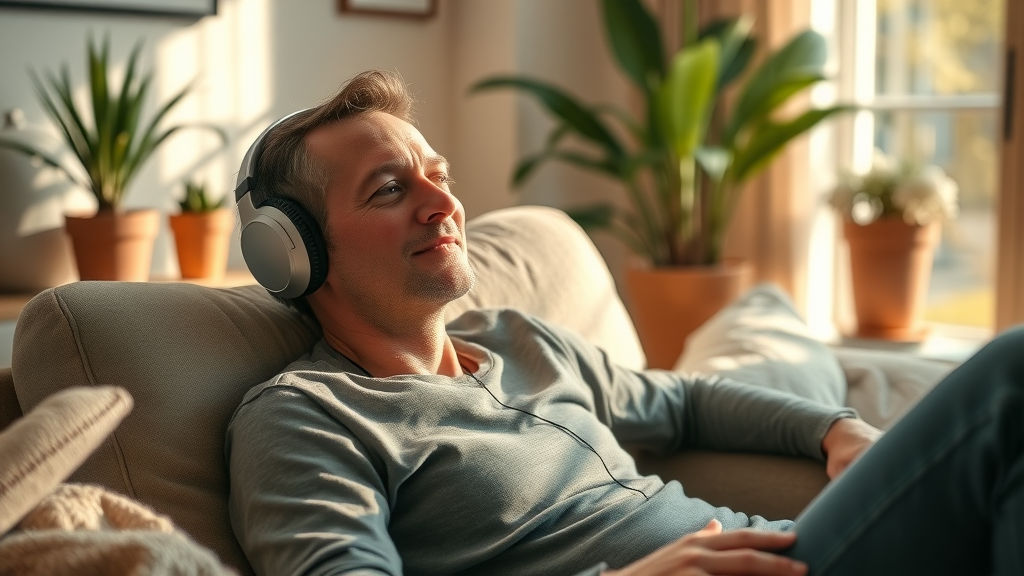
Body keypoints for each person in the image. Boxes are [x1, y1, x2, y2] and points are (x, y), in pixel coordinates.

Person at [225, 70, 1024, 576]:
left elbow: (685, 402)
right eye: (389, 190)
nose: (445, 205)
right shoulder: (307, 418)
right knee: (1010, 380)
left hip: (789, 545)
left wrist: (836, 430)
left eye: (438, 176)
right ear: (294, 252)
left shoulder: (518, 339)